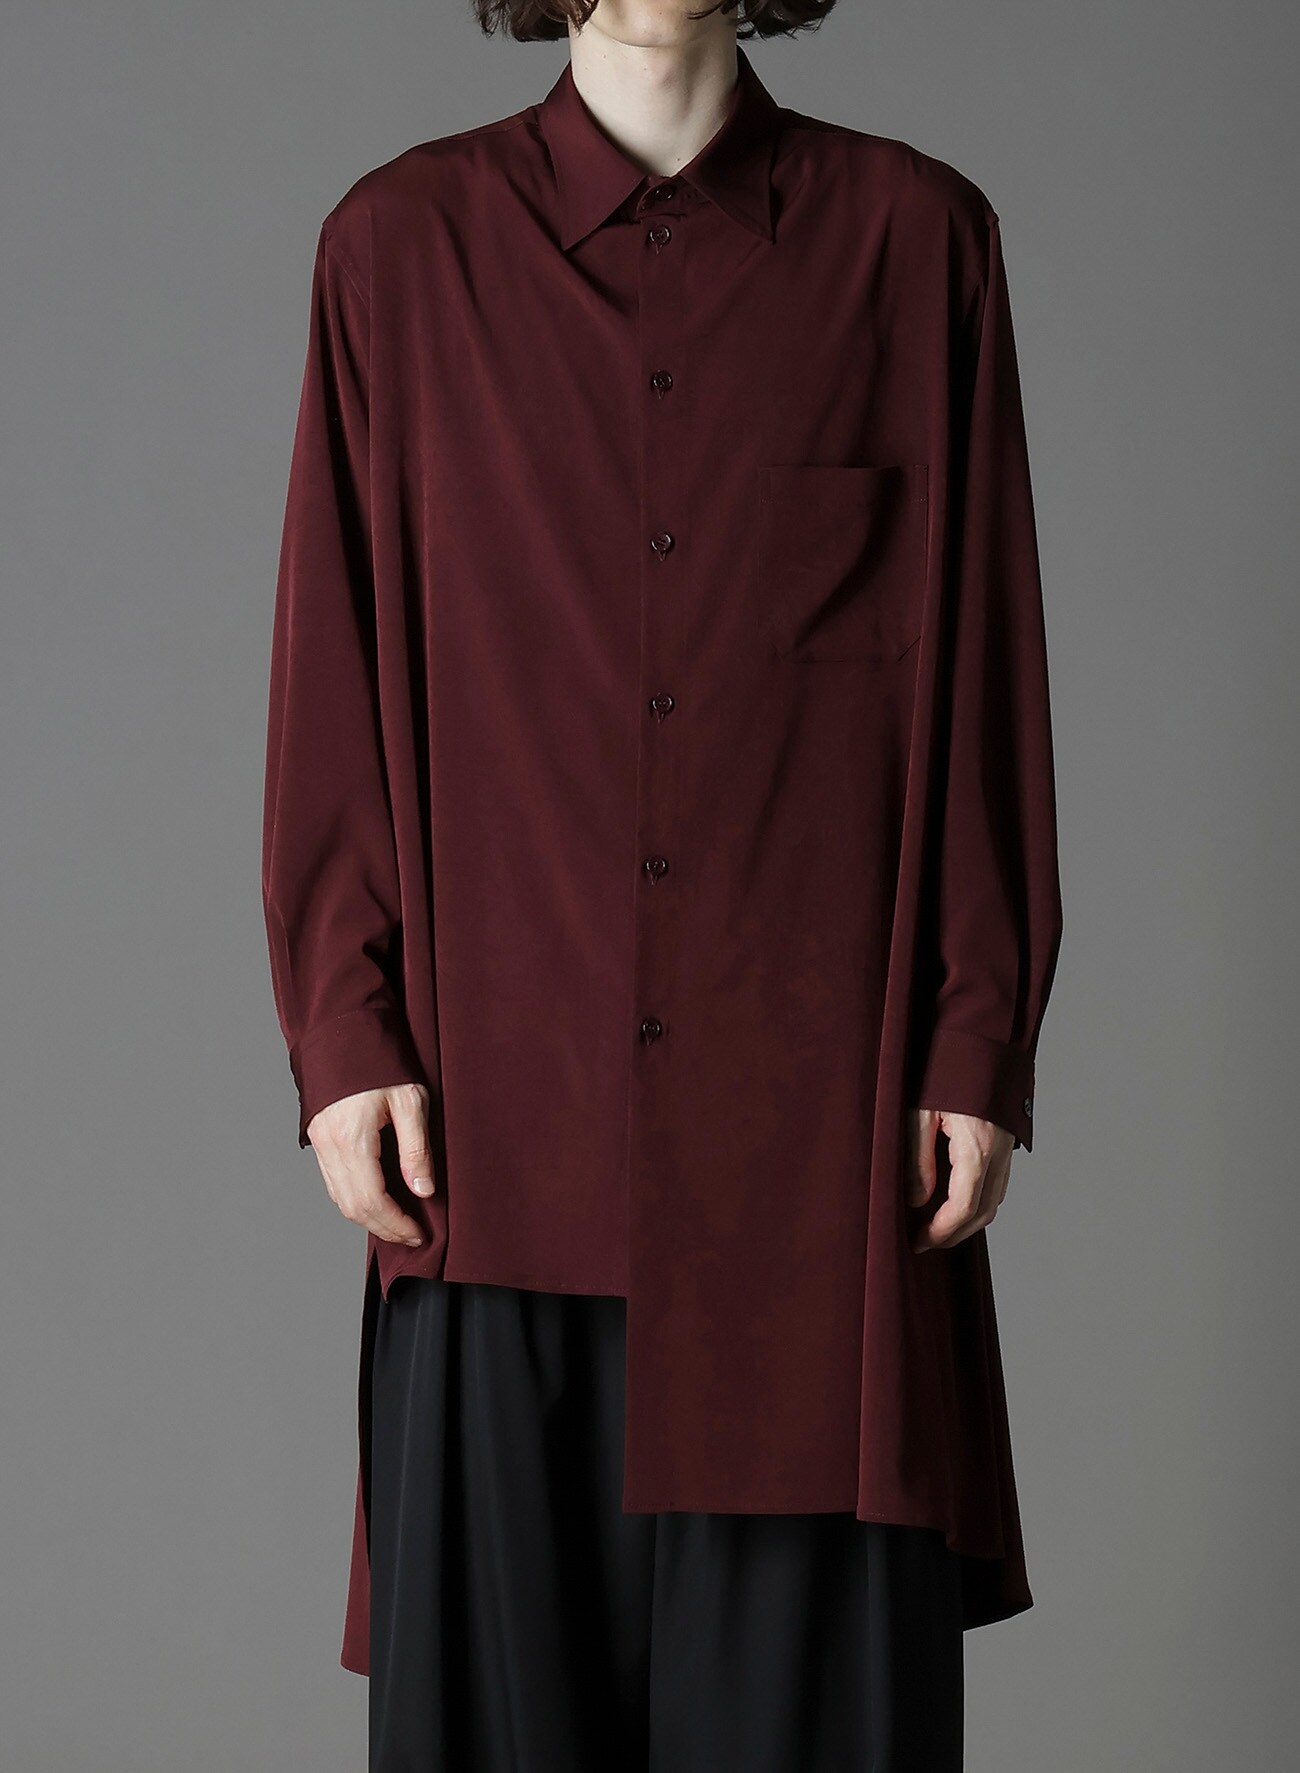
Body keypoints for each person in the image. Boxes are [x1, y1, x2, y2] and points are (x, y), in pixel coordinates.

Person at [260, 1, 1065, 1767]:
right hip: (496, 1154)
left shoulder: (917, 244)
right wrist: (343, 1029)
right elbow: (332, 663)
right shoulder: (396, 252)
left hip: (818, 1183)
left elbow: (986, 667)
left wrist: (976, 1035)